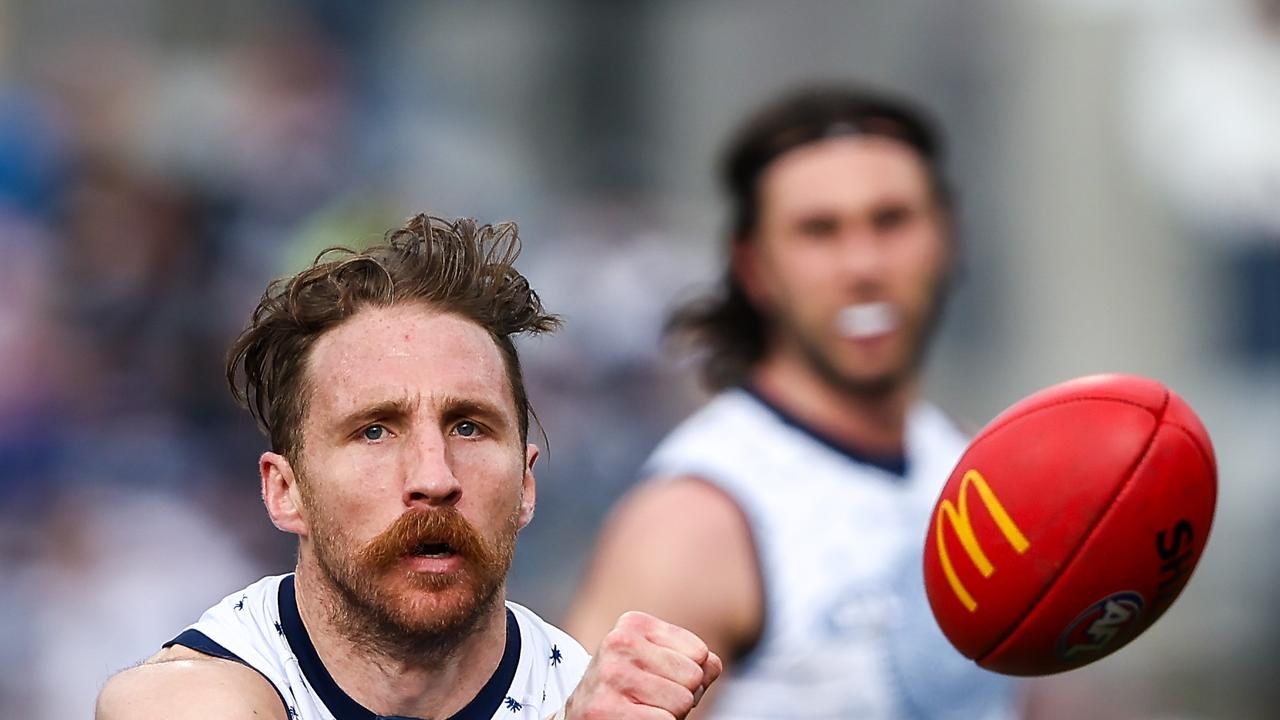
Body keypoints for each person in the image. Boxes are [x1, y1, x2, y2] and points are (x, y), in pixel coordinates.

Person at [95, 215, 722, 720]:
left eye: (469, 427)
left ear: (526, 485)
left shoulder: (601, 702)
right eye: (374, 431)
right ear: (285, 492)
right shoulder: (187, 697)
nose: (434, 477)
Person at [565, 86, 1020, 718]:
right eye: (819, 230)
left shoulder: (970, 464)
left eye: (891, 220)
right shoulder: (699, 518)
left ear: (945, 236)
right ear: (754, 267)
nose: (863, 264)